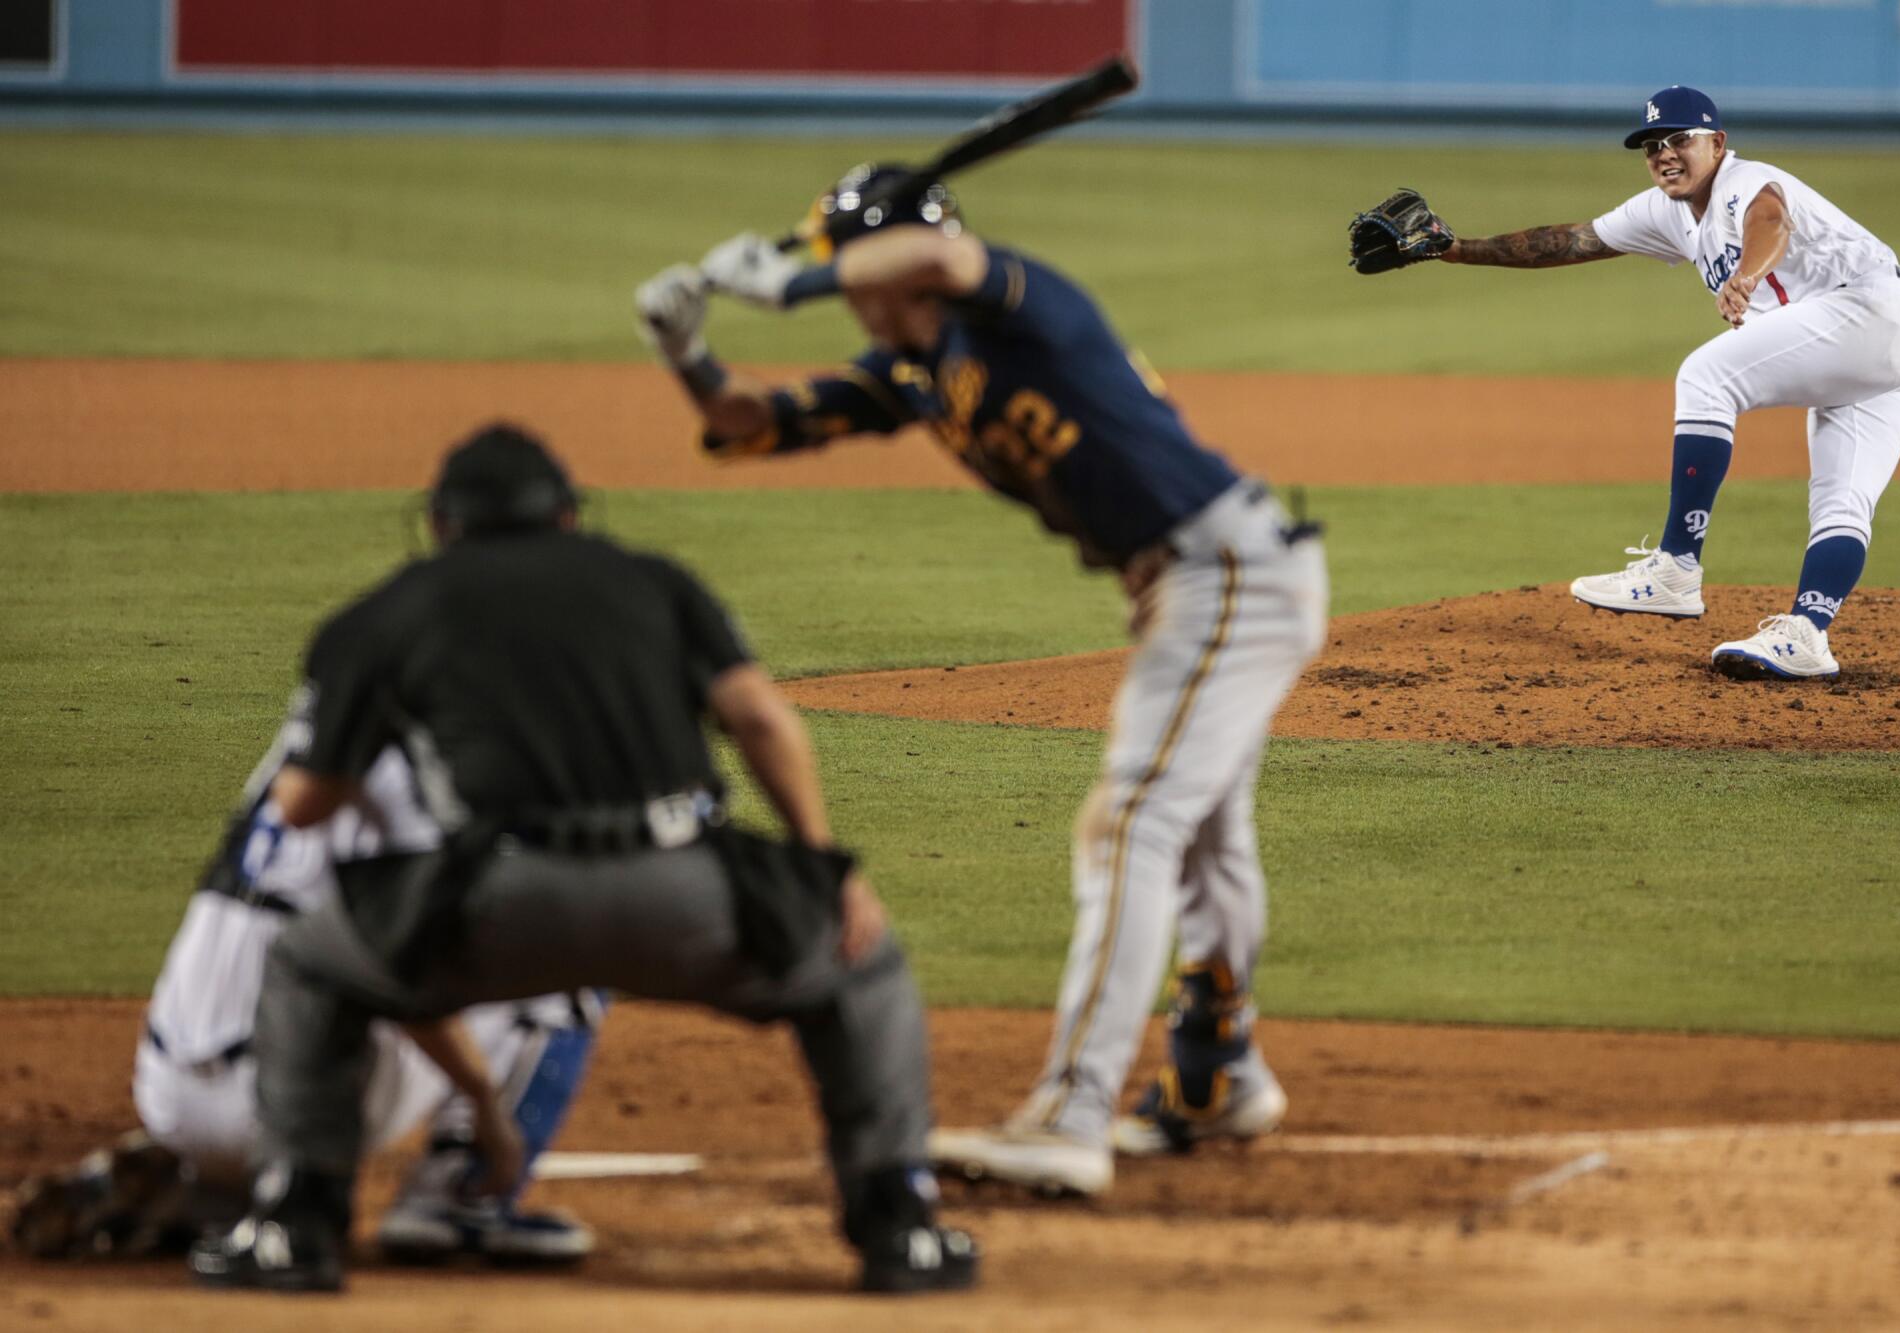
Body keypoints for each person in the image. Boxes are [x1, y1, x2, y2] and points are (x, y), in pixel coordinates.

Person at [634, 165, 1328, 1197]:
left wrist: (789, 283)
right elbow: (753, 423)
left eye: (845, 267)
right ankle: (1215, 1073)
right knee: (1205, 838)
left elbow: (935, 254)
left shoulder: (1013, 301)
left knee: (1129, 825)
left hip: (1223, 572)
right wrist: (686, 354)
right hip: (1196, 582)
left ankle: (1069, 1114)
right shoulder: (915, 367)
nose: (845, 285)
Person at [185, 423, 976, 1294]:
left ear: (442, 524)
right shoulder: (654, 581)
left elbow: (305, 805)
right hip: (689, 891)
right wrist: (826, 865)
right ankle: (901, 1223)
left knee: (310, 963)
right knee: (861, 966)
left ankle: (295, 1222)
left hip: (496, 904)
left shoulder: (386, 611)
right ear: (568, 515)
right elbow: (760, 720)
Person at [8, 729, 601, 1265]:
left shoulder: (309, 741)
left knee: (302, 959)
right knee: (578, 935)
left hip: (167, 1090)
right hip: (291, 1108)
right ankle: (457, 1199)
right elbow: (402, 980)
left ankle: (210, 1190)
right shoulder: (422, 777)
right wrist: (482, 1100)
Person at [1427, 86, 1900, 681]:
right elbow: (1569, 241)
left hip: (1873, 314)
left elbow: (1770, 220)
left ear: (1717, 143)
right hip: (1893, 357)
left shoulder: (1747, 182)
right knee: (1842, 503)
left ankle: (1676, 566)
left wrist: (1746, 276)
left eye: (1679, 139)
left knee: (1707, 375)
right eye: (1651, 145)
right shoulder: (1663, 210)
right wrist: (1454, 249)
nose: (1664, 153)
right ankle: (1807, 634)